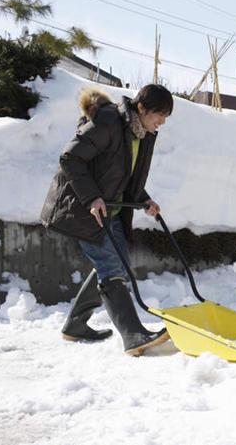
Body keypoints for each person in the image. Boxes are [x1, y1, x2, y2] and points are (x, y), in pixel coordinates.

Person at [40, 84, 173, 356]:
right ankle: (133, 335)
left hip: (109, 208)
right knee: (110, 266)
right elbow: (70, 158)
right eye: (159, 114)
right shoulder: (109, 121)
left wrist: (143, 199)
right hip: (82, 207)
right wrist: (91, 199)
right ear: (141, 108)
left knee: (117, 266)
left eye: (166, 116)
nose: (162, 121)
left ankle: (75, 325)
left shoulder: (140, 133)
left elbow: (121, 175)